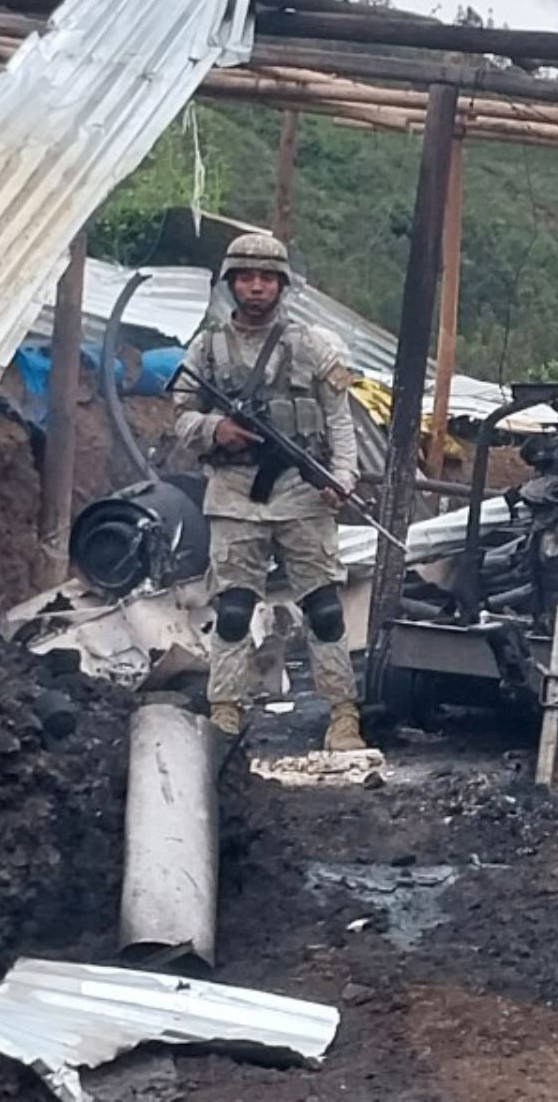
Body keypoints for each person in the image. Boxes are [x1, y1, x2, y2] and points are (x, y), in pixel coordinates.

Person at [173, 232, 366, 751]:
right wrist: (217, 431)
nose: (256, 288)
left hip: (302, 493)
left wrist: (341, 479)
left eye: (266, 278)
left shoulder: (312, 345)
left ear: (281, 285)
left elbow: (337, 421)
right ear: (231, 282)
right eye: (246, 278)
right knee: (234, 609)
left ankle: (343, 714)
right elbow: (181, 418)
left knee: (324, 608)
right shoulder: (206, 348)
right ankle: (226, 712)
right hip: (235, 492)